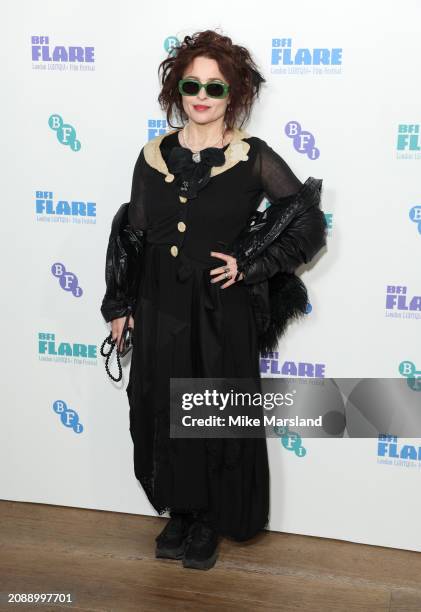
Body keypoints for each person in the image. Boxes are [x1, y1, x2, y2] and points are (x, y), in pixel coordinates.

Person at [100, 29, 326, 571]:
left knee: (211, 410)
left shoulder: (253, 158)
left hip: (219, 311)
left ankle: (208, 521)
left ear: (235, 94)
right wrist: (120, 305)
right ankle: (179, 511)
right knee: (160, 404)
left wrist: (250, 266)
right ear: (177, 88)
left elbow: (306, 220)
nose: (202, 95)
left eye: (216, 87)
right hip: (159, 305)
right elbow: (132, 232)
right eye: (192, 83)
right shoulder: (152, 155)